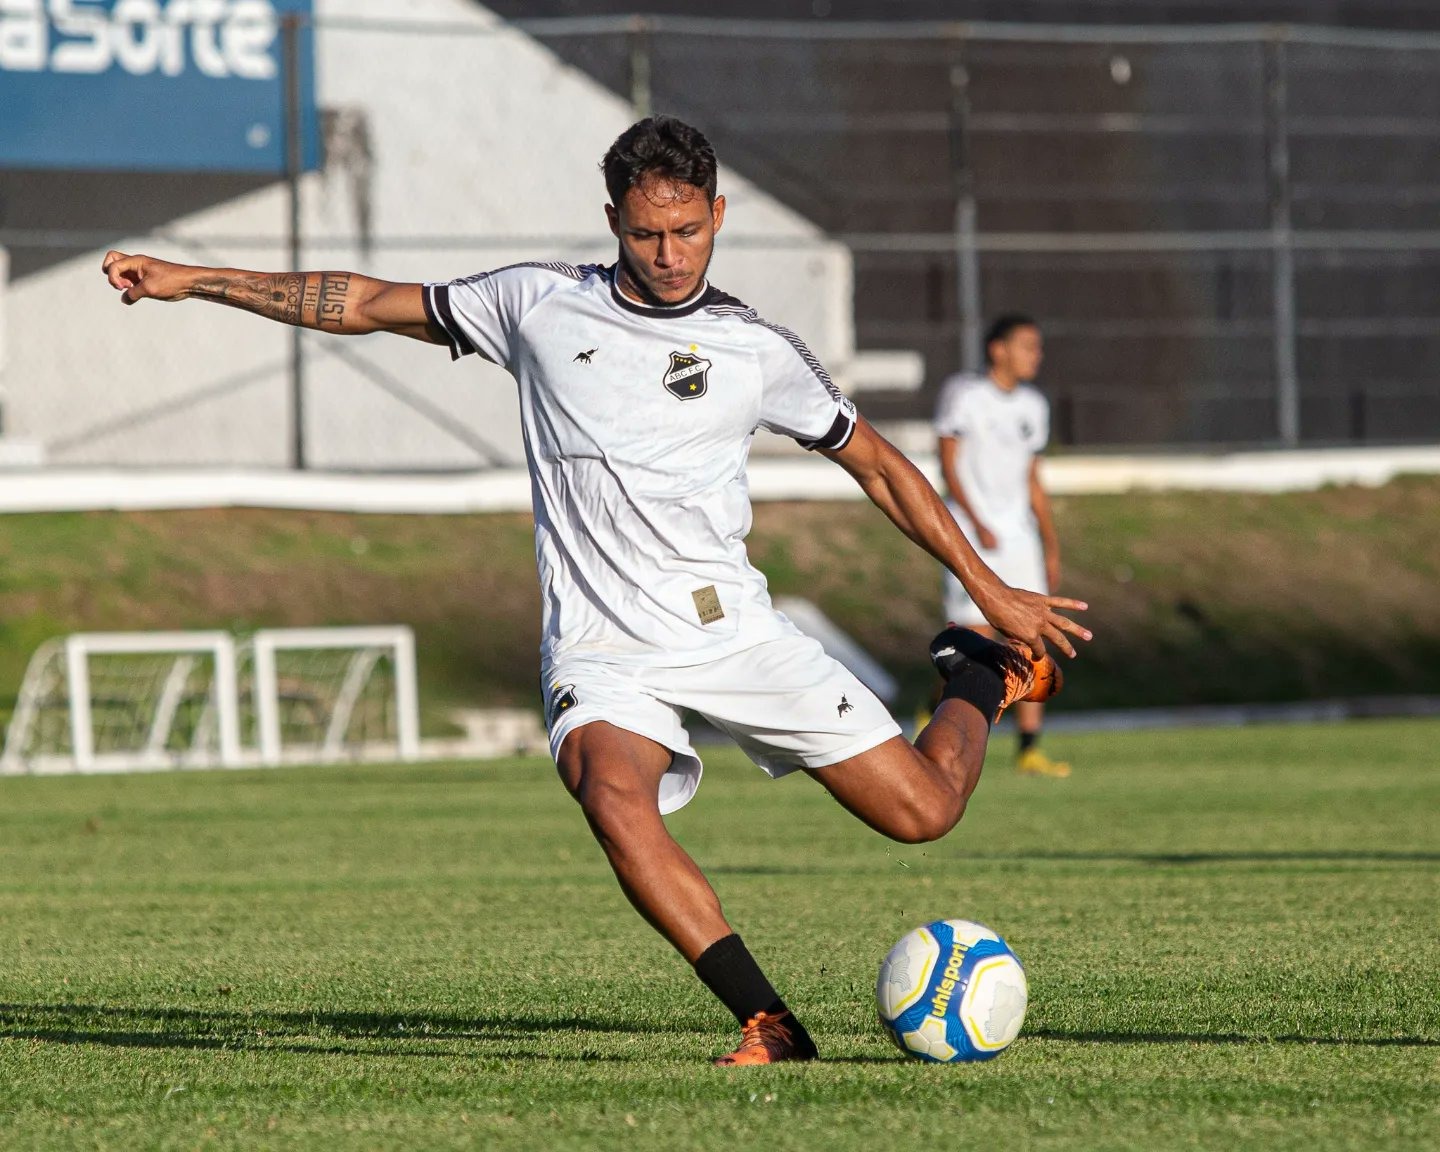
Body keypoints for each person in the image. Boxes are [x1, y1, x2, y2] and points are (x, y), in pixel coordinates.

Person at [102, 116, 1089, 1065]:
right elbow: (361, 302)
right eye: (648, 232)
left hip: (728, 629)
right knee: (611, 794)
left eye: (689, 230)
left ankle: (975, 675)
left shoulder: (757, 350)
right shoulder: (536, 303)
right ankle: (769, 1021)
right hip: (601, 646)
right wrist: (197, 281)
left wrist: (985, 589)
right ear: (613, 219)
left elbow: (877, 464)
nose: (669, 252)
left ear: (719, 214)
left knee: (921, 814)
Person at [935, 315, 1071, 778]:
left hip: (1019, 538)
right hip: (974, 536)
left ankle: (1029, 749)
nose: (1037, 355)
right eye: (1027, 346)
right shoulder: (965, 395)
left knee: (1033, 639)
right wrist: (974, 521)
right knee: (974, 641)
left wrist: (1049, 543)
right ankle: (941, 728)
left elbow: (1033, 479)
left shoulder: (1033, 405)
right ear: (998, 349)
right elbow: (947, 463)